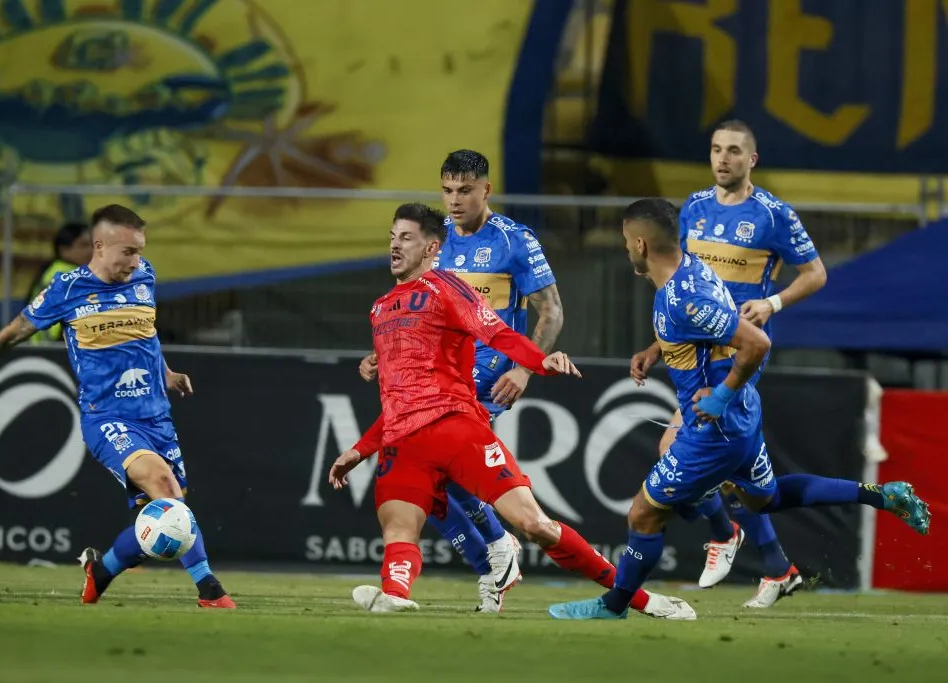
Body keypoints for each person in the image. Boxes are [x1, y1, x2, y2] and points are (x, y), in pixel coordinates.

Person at [548, 198, 930, 621]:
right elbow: (713, 325)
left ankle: (616, 604)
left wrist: (719, 395)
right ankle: (880, 495)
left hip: (714, 430)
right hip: (741, 420)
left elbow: (756, 343)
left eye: (624, 241)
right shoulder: (693, 271)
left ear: (639, 244)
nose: (624, 249)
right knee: (764, 499)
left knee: (643, 513)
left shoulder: (682, 298)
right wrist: (658, 349)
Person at [331, 202, 695, 620]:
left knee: (536, 525)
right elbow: (397, 397)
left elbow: (499, 333)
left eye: (406, 238)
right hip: (403, 442)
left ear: (433, 246)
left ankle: (641, 600)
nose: (395, 246)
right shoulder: (380, 309)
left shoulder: (447, 288)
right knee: (397, 529)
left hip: (456, 430)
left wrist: (539, 362)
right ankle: (394, 594)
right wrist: (359, 451)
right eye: (392, 237)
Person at [0, 204, 235, 609]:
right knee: (168, 496)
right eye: (127, 251)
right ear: (99, 246)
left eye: (140, 250)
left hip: (158, 417)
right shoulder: (67, 289)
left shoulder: (144, 275)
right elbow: (12, 334)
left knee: (163, 516)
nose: (136, 260)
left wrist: (164, 371)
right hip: (108, 418)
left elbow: (144, 332)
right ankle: (211, 591)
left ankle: (102, 571)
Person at [631, 120, 828, 607]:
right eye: (717, 149)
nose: (723, 159)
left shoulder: (774, 214)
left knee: (676, 445)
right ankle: (775, 565)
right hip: (698, 348)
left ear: (751, 160)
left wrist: (773, 304)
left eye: (735, 151)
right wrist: (658, 345)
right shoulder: (693, 208)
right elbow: (679, 284)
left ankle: (725, 534)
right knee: (728, 465)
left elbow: (816, 274)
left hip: (741, 352)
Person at [358, 149, 563, 612]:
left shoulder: (515, 239)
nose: (454, 200)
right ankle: (495, 553)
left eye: (465, 191)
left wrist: (526, 367)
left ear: (485, 190)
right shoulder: (434, 240)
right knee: (429, 481)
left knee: (435, 474)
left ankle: (496, 548)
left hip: (488, 380)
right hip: (437, 377)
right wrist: (383, 354)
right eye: (448, 190)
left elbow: (551, 309)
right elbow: (415, 312)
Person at [25, 222, 94, 343]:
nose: (91, 251)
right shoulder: (67, 275)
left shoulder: (52, 270)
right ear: (64, 249)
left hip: (40, 346)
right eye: (84, 245)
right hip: (55, 345)